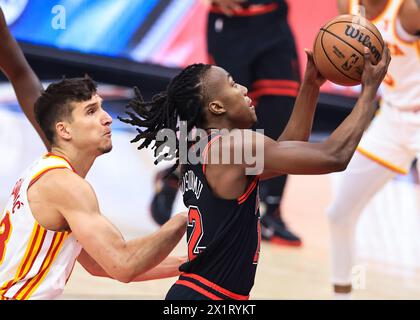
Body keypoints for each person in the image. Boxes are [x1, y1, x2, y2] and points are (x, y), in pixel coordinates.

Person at [119, 44, 391, 299]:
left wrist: (310, 86)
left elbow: (287, 150)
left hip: (203, 294)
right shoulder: (235, 145)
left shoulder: (206, 149)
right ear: (216, 107)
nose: (244, 88)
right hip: (209, 296)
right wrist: (369, 92)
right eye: (232, 84)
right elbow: (334, 157)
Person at [0, 9, 186, 300]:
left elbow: (103, 265)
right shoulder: (65, 186)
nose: (108, 118)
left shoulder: (50, 175)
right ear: (64, 130)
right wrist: (184, 219)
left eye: (101, 107)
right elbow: (123, 264)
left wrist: (190, 264)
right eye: (91, 111)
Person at [151, 0, 303, 246]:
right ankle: (177, 172)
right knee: (223, 115)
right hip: (230, 23)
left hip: (274, 21)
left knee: (281, 111)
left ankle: (271, 210)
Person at [326, 0, 420, 299]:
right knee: (339, 213)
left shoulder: (408, 10)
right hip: (391, 118)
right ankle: (342, 294)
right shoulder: (348, 7)